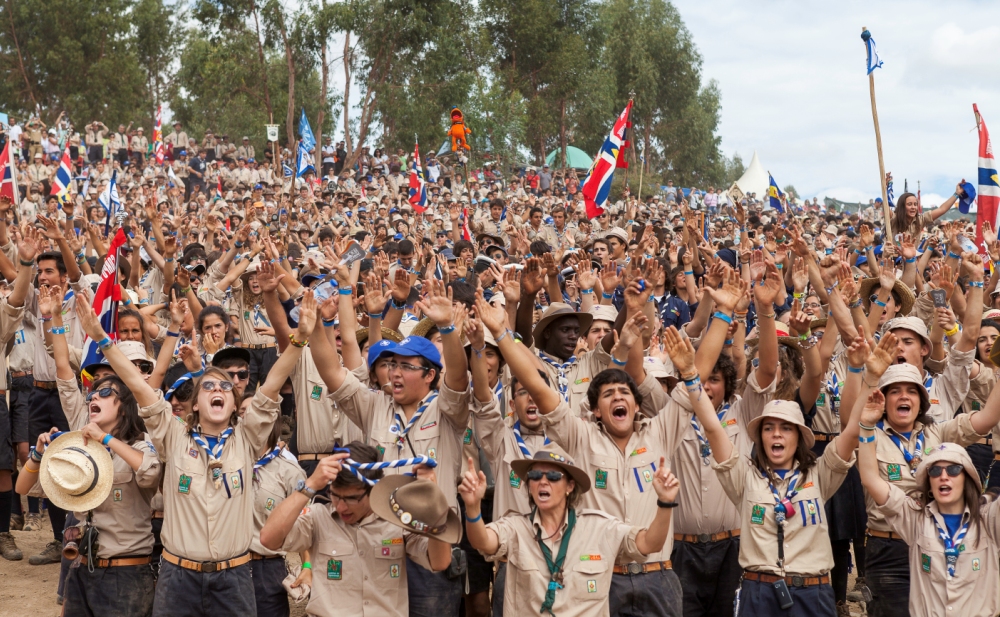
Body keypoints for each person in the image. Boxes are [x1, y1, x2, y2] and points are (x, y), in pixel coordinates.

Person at [75, 285, 317, 617]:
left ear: (233, 403)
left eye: (225, 388)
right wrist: (102, 338)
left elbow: (273, 383)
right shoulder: (173, 436)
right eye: (208, 386)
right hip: (178, 579)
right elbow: (136, 384)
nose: (218, 389)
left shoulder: (247, 440)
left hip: (233, 578)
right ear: (196, 403)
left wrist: (300, 339)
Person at [662, 324, 863, 617]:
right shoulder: (744, 478)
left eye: (785, 428)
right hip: (759, 593)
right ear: (759, 437)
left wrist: (859, 372)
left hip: (814, 594)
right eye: (768, 428)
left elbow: (852, 432)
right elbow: (714, 428)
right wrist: (692, 378)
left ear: (800, 437)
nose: (777, 435)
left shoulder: (819, 475)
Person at [310, 278, 471, 617]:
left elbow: (458, 376)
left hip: (430, 539)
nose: (394, 372)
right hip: (380, 537)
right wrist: (315, 327)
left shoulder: (447, 409)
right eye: (391, 364)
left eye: (406, 366)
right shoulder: (375, 405)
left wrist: (447, 327)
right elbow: (331, 371)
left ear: (429, 375)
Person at [459, 444, 679, 617]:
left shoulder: (600, 528)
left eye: (553, 476)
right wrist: (472, 507)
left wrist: (665, 503)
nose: (543, 481)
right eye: (535, 476)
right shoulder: (515, 527)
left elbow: (650, 544)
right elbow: (483, 541)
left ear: (570, 486)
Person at [259, 443, 455, 617]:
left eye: (352, 498)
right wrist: (308, 486)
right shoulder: (318, 517)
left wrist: (433, 503)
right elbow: (269, 538)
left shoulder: (398, 520)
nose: (342, 507)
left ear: (375, 490)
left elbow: (439, 561)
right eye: (335, 496)